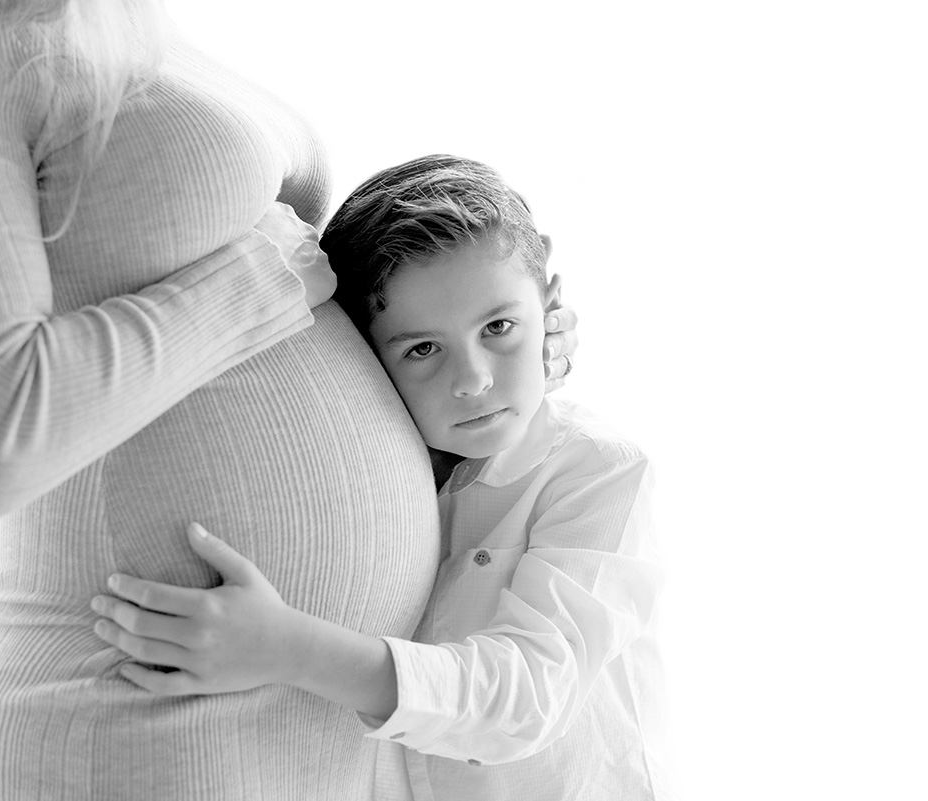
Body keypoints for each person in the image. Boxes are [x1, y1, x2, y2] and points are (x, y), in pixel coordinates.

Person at [0, 4, 576, 799]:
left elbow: (299, 285)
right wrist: (251, 288)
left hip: (311, 720)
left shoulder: (114, 21)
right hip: (134, 711)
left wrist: (495, 341)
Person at [91, 155, 672, 800]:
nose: (474, 379)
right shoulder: (402, 471)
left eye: (498, 327)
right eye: (423, 349)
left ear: (551, 307)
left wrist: (287, 647)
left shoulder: (599, 472)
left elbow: (525, 699)